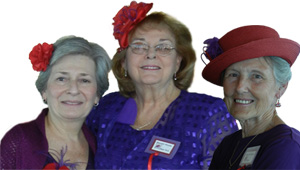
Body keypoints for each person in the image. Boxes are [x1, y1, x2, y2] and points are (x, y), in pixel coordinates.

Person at [86, 1, 238, 169]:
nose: (151, 54)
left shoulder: (208, 112)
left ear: (178, 61)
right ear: (124, 61)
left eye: (163, 47)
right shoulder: (107, 107)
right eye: (139, 46)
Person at [1, 36, 111, 169]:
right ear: (44, 90)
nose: (73, 89)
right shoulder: (18, 141)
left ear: (97, 95)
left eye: (84, 80)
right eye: (61, 79)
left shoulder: (102, 145)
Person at [201, 25, 300, 169]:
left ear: (281, 88)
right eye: (233, 74)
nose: (240, 87)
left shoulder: (285, 147)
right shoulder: (228, 144)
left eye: (256, 76)